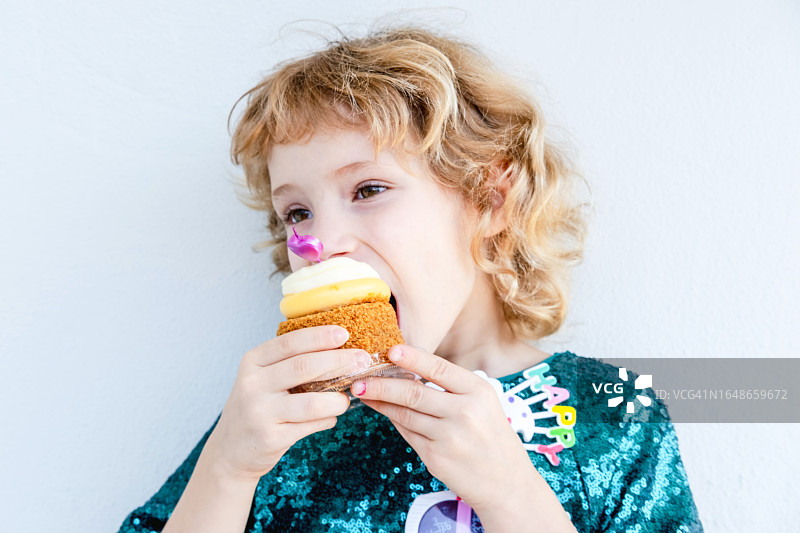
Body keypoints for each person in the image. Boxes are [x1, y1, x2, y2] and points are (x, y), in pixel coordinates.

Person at [119, 26, 703, 532]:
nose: (323, 243)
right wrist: (226, 467)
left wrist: (512, 497)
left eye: (367, 190)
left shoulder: (616, 412)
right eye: (297, 212)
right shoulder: (282, 419)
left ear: (489, 200)